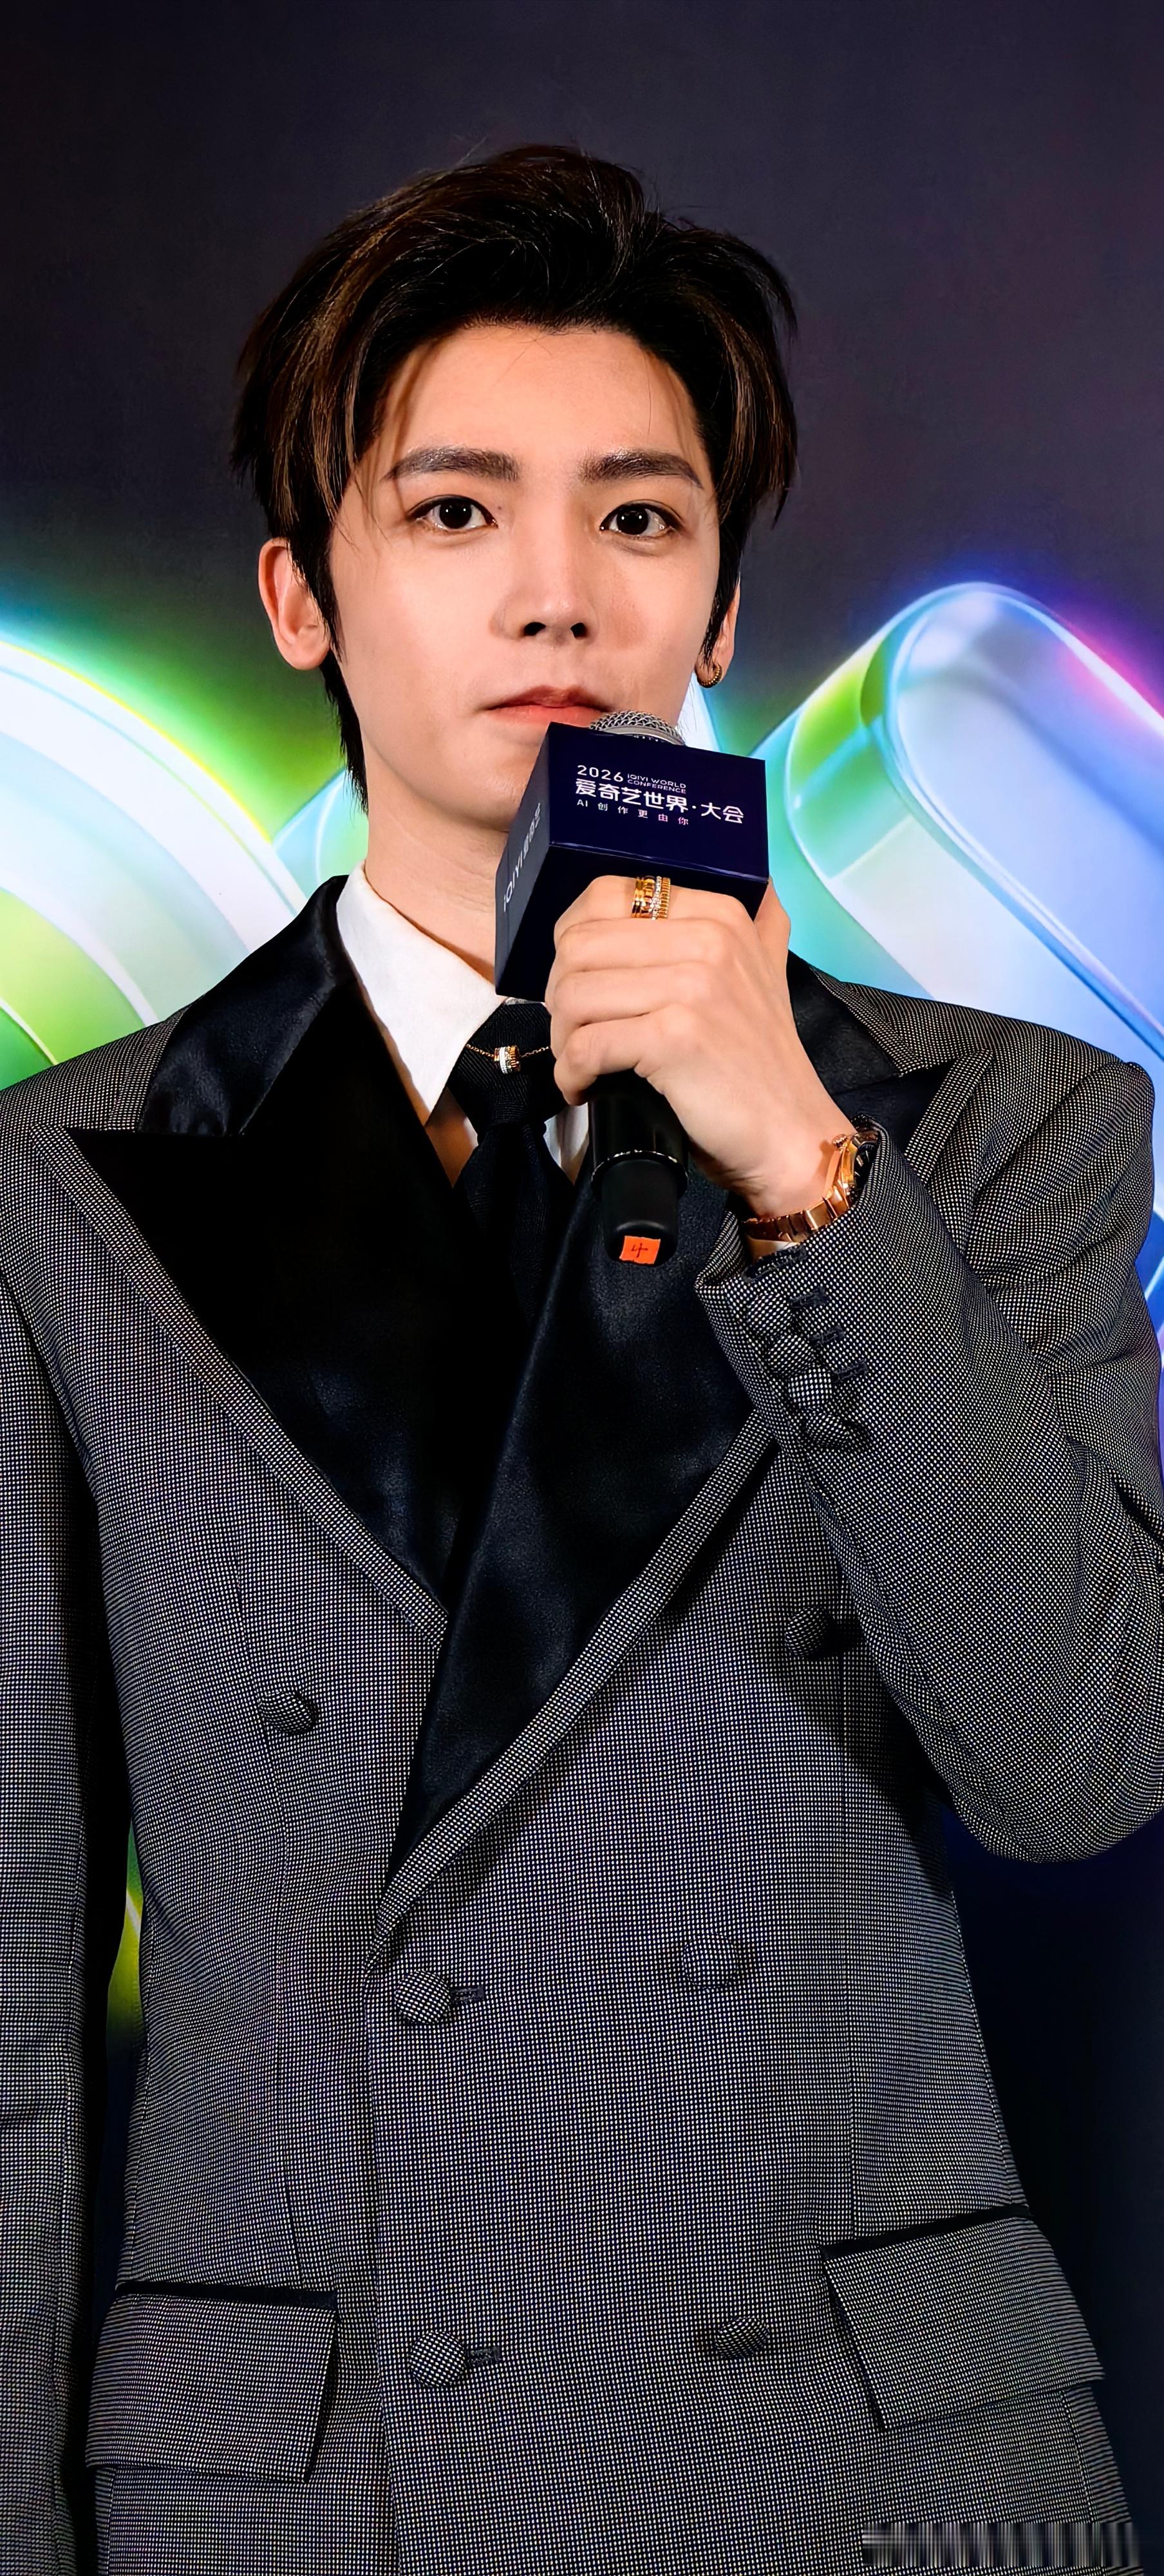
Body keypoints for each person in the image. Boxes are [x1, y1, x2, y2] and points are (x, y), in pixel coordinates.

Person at [0, 142, 1159, 2576]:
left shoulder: (1011, 1125)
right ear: (303, 598)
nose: (557, 592)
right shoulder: (55, 1194)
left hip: (875, 2479)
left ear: (721, 597)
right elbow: (13, 2000)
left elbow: (1076, 1763)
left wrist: (805, 1169)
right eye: (454, 512)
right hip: (319, 2493)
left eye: (638, 518)